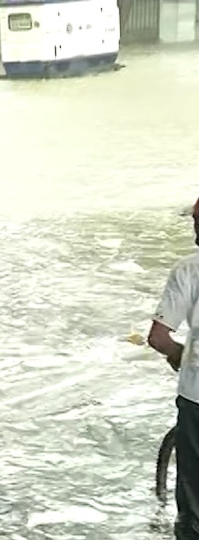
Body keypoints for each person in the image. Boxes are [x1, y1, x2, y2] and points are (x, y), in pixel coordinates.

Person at [148, 197, 199, 540]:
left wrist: (179, 355)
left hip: (197, 398)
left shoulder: (189, 270)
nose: (193, 226)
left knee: (193, 506)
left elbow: (158, 337)